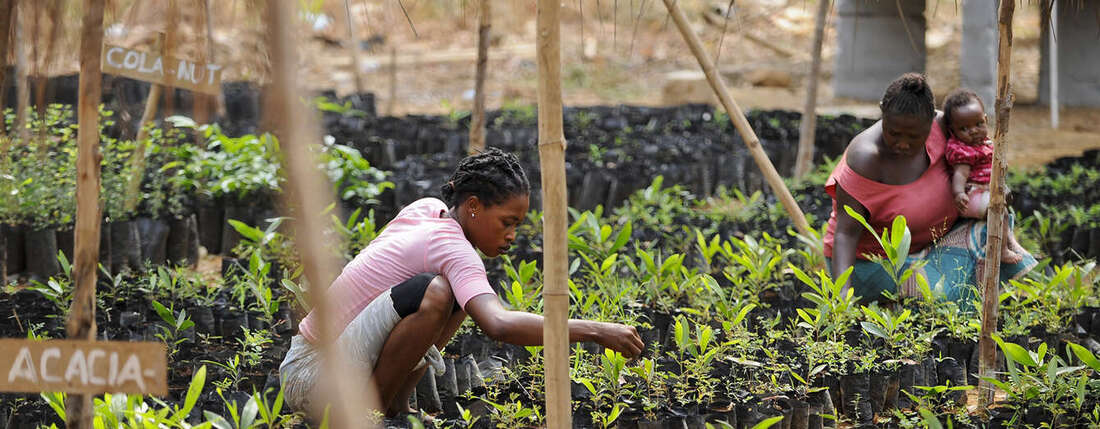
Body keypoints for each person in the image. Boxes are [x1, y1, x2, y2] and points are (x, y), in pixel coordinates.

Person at [279, 148, 645, 419]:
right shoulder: (453, 248)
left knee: (451, 294)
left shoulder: (427, 209)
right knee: (436, 292)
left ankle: (396, 407)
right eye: (507, 222)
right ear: (473, 206)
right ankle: (373, 416)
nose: (512, 235)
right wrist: (595, 331)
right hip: (315, 378)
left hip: (312, 365)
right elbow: (498, 325)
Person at [823, 73, 1037, 303]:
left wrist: (996, 190)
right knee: (942, 296)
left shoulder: (946, 127)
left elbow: (980, 159)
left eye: (914, 137)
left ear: (932, 121)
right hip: (875, 262)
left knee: (995, 222)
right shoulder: (866, 158)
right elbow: (845, 233)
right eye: (894, 133)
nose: (903, 143)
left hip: (932, 246)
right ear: (882, 112)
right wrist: (842, 293)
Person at [942, 88, 1025, 264]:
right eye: (964, 128)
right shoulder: (963, 150)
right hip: (971, 196)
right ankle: (1000, 249)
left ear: (985, 120)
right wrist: (958, 193)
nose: (973, 131)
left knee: (1004, 204)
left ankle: (1008, 240)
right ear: (952, 130)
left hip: (983, 192)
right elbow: (960, 173)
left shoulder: (984, 142)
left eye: (978, 124)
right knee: (999, 211)